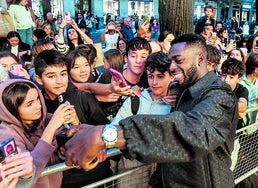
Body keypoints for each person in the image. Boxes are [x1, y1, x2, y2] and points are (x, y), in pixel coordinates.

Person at [65, 33, 238, 188]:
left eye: (178, 60)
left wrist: (109, 135)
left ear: (200, 59)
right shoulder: (181, 90)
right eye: (170, 61)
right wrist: (91, 130)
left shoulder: (219, 94)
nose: (171, 66)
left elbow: (193, 130)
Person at [34, 49, 113, 188]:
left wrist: (78, 124)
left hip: (98, 175)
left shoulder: (83, 98)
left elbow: (107, 133)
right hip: (64, 178)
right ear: (39, 79)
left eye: (63, 74)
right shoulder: (36, 105)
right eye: (51, 76)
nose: (59, 81)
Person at [0, 79, 80, 187]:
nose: (39, 106)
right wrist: (52, 127)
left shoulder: (46, 119)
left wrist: (75, 123)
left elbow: (72, 146)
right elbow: (25, 176)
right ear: (12, 109)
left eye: (38, 98)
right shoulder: (6, 134)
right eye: (29, 104)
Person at [112, 52, 173, 188]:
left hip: (163, 168)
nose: (154, 82)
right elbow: (114, 127)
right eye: (151, 76)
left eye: (161, 76)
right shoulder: (136, 99)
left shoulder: (176, 104)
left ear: (171, 76)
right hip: (132, 165)